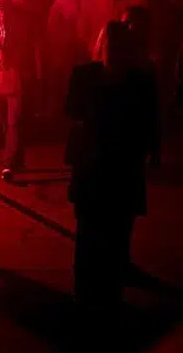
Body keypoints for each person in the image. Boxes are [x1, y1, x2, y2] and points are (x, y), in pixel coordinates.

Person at [66, 21, 160, 311]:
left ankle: (86, 291)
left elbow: (72, 115)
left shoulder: (85, 75)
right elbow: (150, 121)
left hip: (94, 164)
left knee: (89, 231)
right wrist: (151, 153)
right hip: (122, 164)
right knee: (118, 231)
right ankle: (111, 291)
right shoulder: (140, 79)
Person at [0, 0, 28, 181]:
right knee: (4, 120)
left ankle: (8, 163)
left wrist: (7, 52)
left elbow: (24, 41)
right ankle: (17, 156)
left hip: (13, 72)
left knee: (13, 120)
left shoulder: (16, 18)